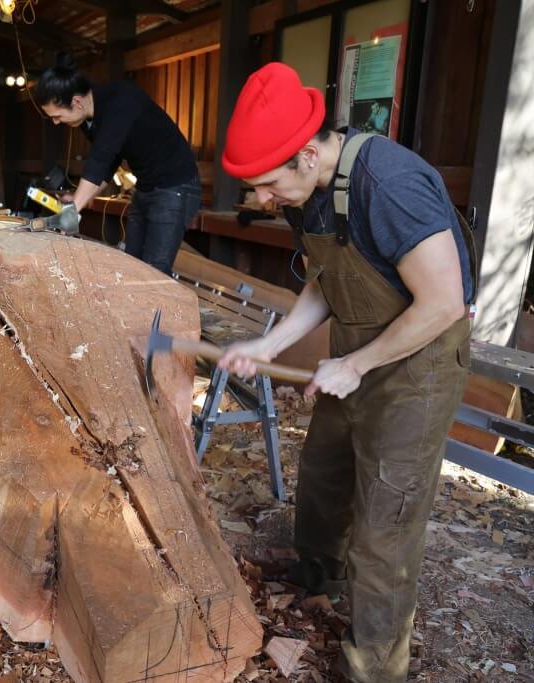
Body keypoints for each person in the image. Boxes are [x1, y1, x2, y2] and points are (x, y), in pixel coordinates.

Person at [217, 63, 475, 683]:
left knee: (386, 522)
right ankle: (316, 582)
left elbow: (443, 302)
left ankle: (373, 668)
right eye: (255, 188)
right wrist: (269, 341)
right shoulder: (306, 190)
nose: (263, 200)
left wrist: (356, 364)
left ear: (307, 153)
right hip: (359, 351)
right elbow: (325, 279)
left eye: (269, 185)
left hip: (421, 359)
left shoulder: (388, 185)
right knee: (327, 475)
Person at [34, 53, 200, 274]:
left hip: (176, 186)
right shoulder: (88, 119)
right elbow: (109, 164)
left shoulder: (121, 100)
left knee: (155, 272)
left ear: (76, 102)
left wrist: (73, 211)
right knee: (132, 265)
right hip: (146, 186)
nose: (55, 122)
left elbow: (100, 157)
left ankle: (158, 309)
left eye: (56, 116)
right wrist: (77, 199)